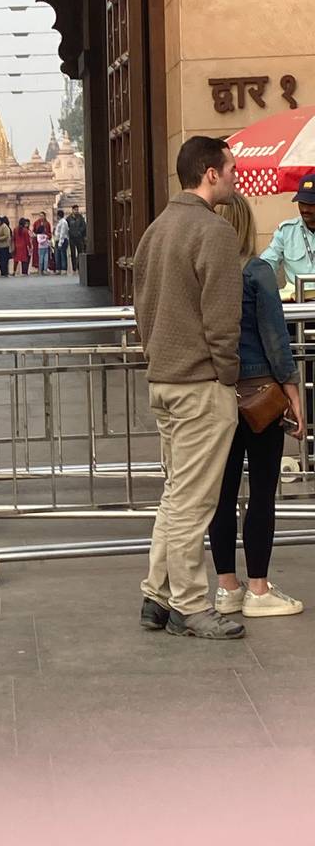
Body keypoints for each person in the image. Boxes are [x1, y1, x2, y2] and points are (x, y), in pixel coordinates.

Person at [134, 135, 245, 640]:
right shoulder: (214, 232)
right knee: (194, 503)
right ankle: (190, 605)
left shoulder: (156, 230)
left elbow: (140, 309)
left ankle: (156, 597)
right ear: (209, 173)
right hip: (202, 382)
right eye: (230, 169)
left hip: (165, 378)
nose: (235, 176)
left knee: (176, 495)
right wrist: (227, 375)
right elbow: (223, 320)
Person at [209, 193, 305, 617]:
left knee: (222, 493)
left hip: (215, 394)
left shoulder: (204, 272)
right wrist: (293, 390)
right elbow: (275, 337)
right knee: (262, 492)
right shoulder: (257, 271)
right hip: (261, 394)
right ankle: (259, 589)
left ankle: (227, 586)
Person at [261, 174, 315, 301]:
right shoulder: (286, 231)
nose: (305, 209)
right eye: (302, 203)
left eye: (311, 203)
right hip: (296, 306)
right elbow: (267, 263)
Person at [67, 204, 87, 273]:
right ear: (72, 210)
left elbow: (84, 226)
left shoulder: (80, 217)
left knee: (80, 252)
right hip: (72, 238)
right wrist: (70, 233)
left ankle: (79, 267)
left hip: (79, 238)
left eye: (77, 210)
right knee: (73, 253)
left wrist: (79, 232)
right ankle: (74, 268)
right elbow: (67, 227)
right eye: (75, 210)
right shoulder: (69, 218)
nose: (76, 211)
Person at [53, 209, 69, 274]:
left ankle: (64, 269)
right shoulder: (59, 222)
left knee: (63, 255)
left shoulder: (64, 222)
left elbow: (62, 233)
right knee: (57, 255)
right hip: (57, 240)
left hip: (62, 240)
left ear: (58, 215)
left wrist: (60, 243)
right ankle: (58, 268)